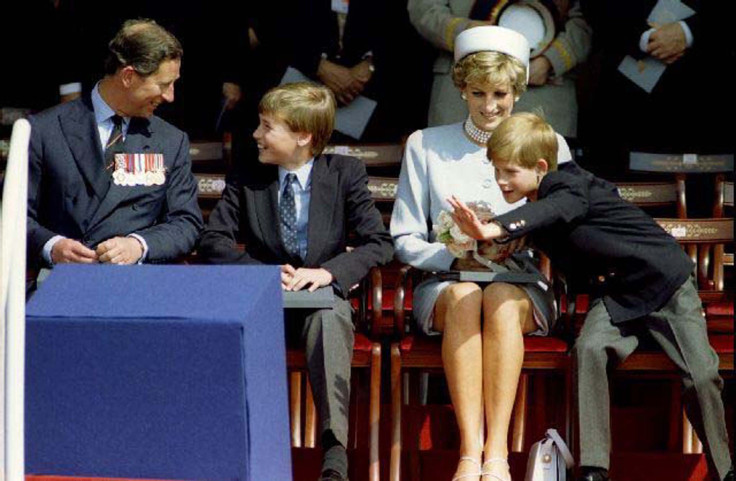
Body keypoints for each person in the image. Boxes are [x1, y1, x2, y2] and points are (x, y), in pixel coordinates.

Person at [448, 112, 734, 481]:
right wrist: (487, 242)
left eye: (510, 172)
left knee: (702, 374)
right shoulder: (535, 203)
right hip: (616, 295)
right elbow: (536, 226)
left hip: (663, 284)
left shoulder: (569, 185)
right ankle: (594, 470)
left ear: (540, 166)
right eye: (497, 171)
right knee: (589, 350)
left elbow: (553, 210)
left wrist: (498, 225)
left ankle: (724, 471)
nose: (501, 181)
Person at [390, 26, 573, 481]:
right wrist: (454, 258)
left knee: (499, 301)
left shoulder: (551, 144)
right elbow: (405, 237)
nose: (489, 106)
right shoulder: (425, 144)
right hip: (447, 283)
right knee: (468, 295)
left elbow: (569, 223)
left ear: (517, 91)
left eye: (501, 94)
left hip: (522, 283)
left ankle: (497, 454)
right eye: (477, 93)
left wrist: (519, 240)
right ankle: (470, 453)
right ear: (461, 90)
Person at [198, 82, 394, 481]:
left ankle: (334, 452)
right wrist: (262, 272)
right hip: (262, 300)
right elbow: (213, 240)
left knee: (328, 318)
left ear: (304, 136)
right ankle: (239, 452)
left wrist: (329, 272)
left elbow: (379, 243)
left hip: (320, 297)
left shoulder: (344, 174)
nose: (256, 134)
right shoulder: (249, 175)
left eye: (268, 126)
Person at [27, 19, 203, 269]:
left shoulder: (170, 140)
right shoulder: (44, 130)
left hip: (137, 286)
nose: (170, 96)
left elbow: (186, 222)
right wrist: (51, 246)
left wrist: (138, 245)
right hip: (61, 280)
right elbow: (14, 216)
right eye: (163, 85)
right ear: (128, 76)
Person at [408, 0, 591, 140]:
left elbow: (589, 19)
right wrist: (467, 33)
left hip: (542, 88)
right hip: (462, 86)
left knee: (538, 177)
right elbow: (424, 8)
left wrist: (551, 61)